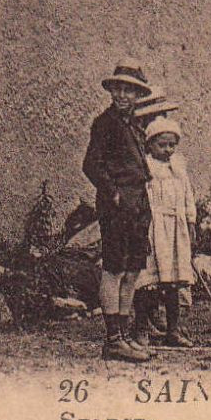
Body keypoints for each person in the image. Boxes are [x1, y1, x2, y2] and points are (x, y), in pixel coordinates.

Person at [83, 61, 156, 362]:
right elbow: (91, 165)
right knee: (114, 268)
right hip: (117, 205)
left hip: (138, 203)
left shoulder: (135, 125)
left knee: (132, 270)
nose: (123, 95)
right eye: (119, 88)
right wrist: (113, 193)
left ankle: (124, 336)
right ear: (112, 90)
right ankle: (113, 339)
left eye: (130, 90)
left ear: (138, 95)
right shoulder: (105, 124)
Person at [131, 117, 197, 348]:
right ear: (150, 145)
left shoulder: (178, 168)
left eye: (172, 145)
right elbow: (140, 199)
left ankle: (173, 330)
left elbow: (188, 196)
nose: (168, 150)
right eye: (162, 145)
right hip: (153, 228)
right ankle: (141, 328)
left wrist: (190, 222)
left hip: (175, 231)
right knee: (147, 281)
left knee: (173, 283)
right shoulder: (146, 167)